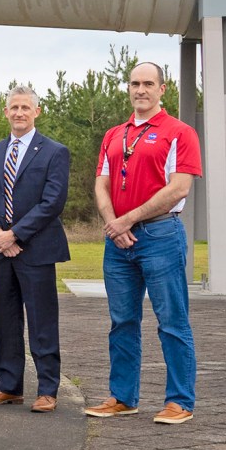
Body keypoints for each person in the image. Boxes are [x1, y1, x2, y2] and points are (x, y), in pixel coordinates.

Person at [87, 61, 201, 425]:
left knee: (171, 321)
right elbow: (102, 183)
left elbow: (179, 188)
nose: (141, 90)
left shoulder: (180, 133)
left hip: (160, 236)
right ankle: (123, 397)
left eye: (148, 83)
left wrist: (129, 219)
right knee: (122, 321)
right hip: (118, 241)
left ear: (162, 89)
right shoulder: (114, 134)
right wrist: (113, 224)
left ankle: (179, 401)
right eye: (135, 83)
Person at [0, 85, 70, 413]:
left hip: (37, 250)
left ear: (36, 112)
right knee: (4, 319)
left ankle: (47, 389)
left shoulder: (54, 151)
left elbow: (52, 202)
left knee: (42, 321)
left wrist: (16, 235)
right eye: (13, 107)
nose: (19, 113)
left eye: (25, 107)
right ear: (6, 112)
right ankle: (9, 385)